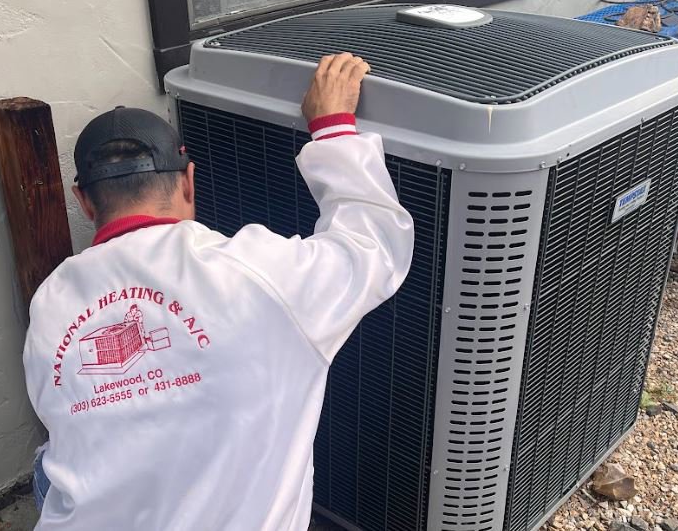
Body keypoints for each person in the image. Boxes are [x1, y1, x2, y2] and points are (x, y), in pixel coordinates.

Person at [23, 53, 415, 530]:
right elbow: (374, 245)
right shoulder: (256, 272)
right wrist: (332, 127)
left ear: (84, 200)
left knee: (50, 466)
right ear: (188, 181)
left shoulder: (49, 303)